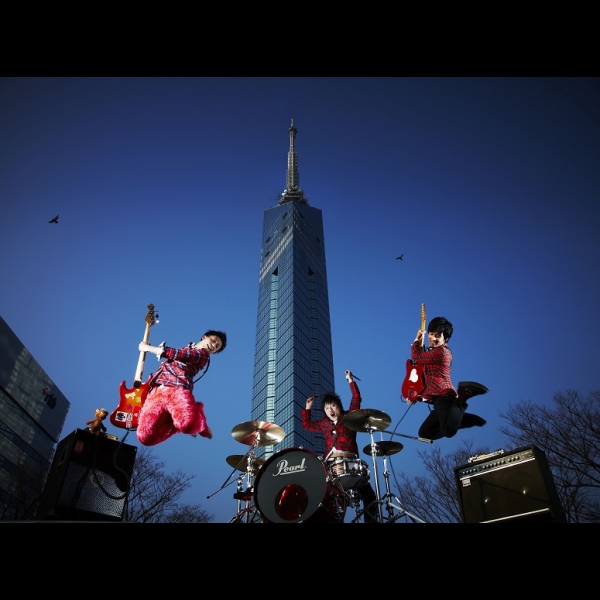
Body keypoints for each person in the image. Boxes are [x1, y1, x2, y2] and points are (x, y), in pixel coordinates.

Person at [302, 370, 379, 523]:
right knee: (328, 500)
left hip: (351, 463)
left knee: (370, 496)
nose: (330, 410)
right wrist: (308, 407)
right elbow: (307, 425)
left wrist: (350, 380)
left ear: (339, 406)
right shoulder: (323, 423)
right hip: (330, 465)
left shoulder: (349, 417)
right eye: (327, 408)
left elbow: (356, 398)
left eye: (333, 406)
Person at [136, 329, 227, 446]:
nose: (214, 345)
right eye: (213, 340)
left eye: (217, 346)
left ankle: (200, 421)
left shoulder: (203, 355)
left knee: (188, 424)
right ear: (204, 336)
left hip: (176, 389)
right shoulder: (188, 347)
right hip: (157, 392)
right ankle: (176, 422)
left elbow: (178, 354)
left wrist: (148, 348)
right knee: (145, 437)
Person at [408, 316, 486, 440]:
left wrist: (417, 339)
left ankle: (463, 397)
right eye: (431, 334)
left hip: (445, 396)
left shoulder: (442, 352)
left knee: (449, 431)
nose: (433, 338)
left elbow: (416, 356)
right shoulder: (431, 353)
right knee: (425, 433)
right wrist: (416, 397)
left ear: (445, 338)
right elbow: (428, 383)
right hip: (438, 399)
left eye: (437, 336)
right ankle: (459, 420)